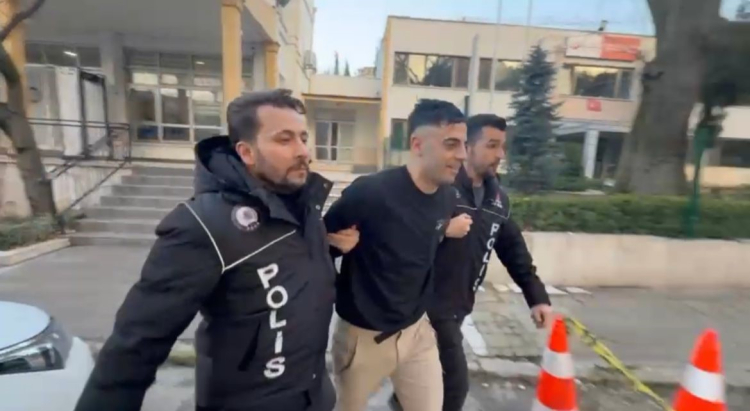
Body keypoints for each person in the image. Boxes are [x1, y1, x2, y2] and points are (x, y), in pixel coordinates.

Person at [74, 89, 358, 411]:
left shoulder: (304, 205)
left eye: (304, 138)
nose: (303, 151)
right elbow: (136, 344)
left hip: (313, 398)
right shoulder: (203, 224)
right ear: (247, 152)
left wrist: (329, 251)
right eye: (285, 140)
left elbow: (280, 265)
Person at [323, 99, 469, 411]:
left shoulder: (447, 195)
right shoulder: (370, 193)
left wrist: (445, 230)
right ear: (417, 144)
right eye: (451, 144)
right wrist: (335, 245)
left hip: (417, 333)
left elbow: (421, 232)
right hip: (363, 338)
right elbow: (317, 243)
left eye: (464, 144)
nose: (462, 155)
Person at [424, 113, 553, 411]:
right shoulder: (440, 188)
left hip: (459, 306)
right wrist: (443, 228)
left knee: (422, 383)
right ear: (467, 147)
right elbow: (408, 230)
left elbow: (513, 249)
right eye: (492, 145)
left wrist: (537, 297)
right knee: (454, 387)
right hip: (428, 307)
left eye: (502, 147)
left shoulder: (498, 198)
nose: (500, 155)